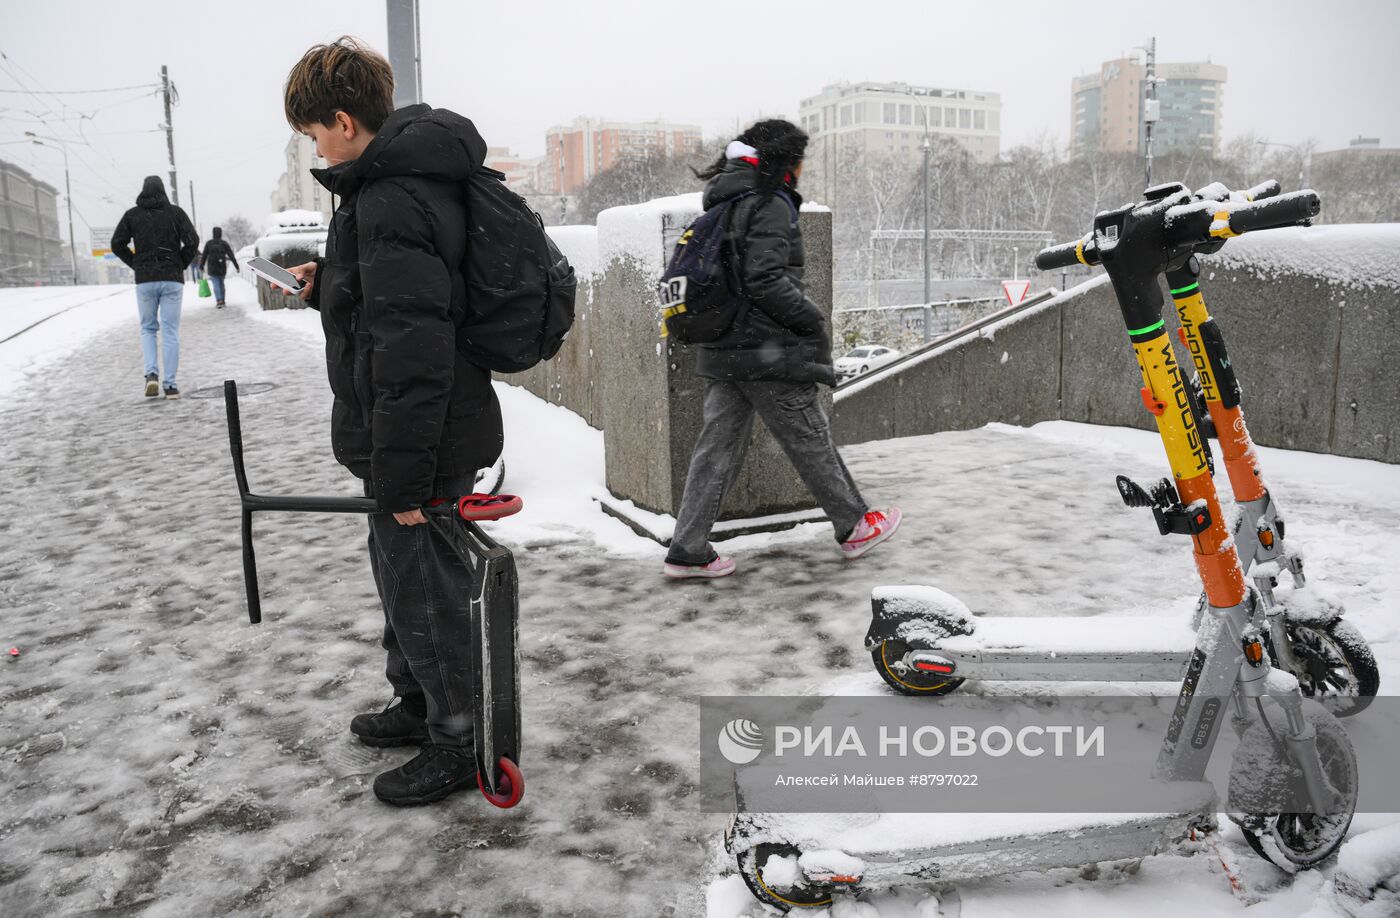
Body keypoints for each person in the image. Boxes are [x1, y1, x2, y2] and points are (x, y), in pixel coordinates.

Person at [278, 37, 502, 806]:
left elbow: (412, 347)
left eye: (311, 133)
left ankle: (458, 739)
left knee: (428, 593)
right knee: (402, 578)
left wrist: (403, 472)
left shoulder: (388, 196)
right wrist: (329, 283)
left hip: (422, 437)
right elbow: (397, 302)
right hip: (421, 428)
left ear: (341, 120)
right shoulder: (397, 185)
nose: (311, 145)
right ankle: (418, 703)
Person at [663, 120, 901, 580]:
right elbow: (765, 278)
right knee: (808, 436)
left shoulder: (724, 202)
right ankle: (855, 525)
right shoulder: (768, 202)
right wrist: (810, 319)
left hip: (724, 348)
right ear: (785, 162)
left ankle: (688, 548)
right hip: (765, 349)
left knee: (716, 449)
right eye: (799, 160)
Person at [111, 176, 199, 399]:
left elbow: (117, 244)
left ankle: (151, 374)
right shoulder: (175, 214)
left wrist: (136, 263)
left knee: (148, 329)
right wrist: (179, 263)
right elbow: (192, 241)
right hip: (171, 279)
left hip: (146, 280)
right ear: (163, 191)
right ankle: (170, 386)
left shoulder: (133, 215)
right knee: (170, 331)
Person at [198, 226, 240, 307]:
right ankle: (222, 300)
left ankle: (219, 300)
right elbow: (231, 255)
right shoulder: (224, 243)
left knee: (216, 284)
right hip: (222, 267)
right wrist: (236, 265)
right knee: (221, 283)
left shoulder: (209, 243)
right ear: (221, 233)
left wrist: (201, 265)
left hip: (212, 267)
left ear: (213, 233)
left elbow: (204, 255)